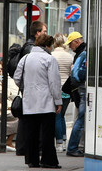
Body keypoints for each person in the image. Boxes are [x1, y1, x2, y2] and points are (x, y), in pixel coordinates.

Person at [13, 33, 62, 169]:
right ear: (47, 45)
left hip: (29, 102)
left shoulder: (26, 58)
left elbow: (17, 78)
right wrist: (58, 101)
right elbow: (54, 83)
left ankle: (32, 160)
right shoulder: (49, 59)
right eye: (51, 46)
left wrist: (27, 88)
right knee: (47, 133)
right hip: (46, 102)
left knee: (31, 132)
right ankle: (48, 160)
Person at [65, 32, 87, 158]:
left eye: (70, 44)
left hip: (80, 89)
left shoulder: (81, 52)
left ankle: (74, 147)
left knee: (81, 118)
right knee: (81, 119)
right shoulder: (84, 52)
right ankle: (73, 147)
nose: (70, 47)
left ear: (76, 42)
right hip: (84, 88)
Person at [51, 33, 74, 151]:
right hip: (67, 90)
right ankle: (64, 140)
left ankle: (59, 142)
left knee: (57, 116)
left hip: (56, 89)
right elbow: (71, 73)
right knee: (62, 116)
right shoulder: (69, 56)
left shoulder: (52, 55)